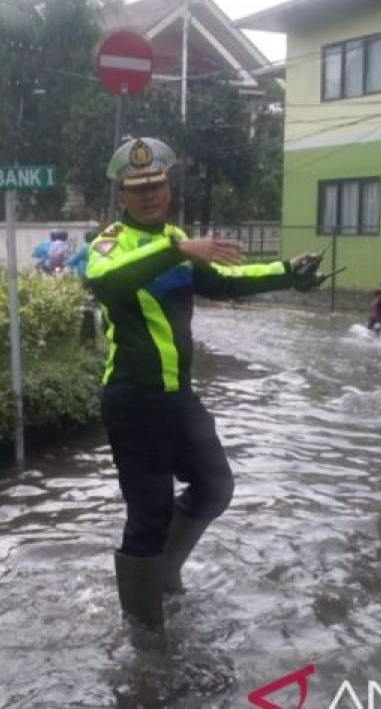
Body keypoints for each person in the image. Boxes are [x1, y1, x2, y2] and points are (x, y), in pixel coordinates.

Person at [85, 136, 326, 631]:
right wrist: (177, 249)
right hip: (133, 399)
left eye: (158, 185)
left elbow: (223, 279)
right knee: (148, 515)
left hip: (178, 397)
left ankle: (165, 575)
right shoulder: (111, 242)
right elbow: (107, 282)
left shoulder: (176, 239)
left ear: (168, 188)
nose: (151, 195)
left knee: (215, 485)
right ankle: (143, 631)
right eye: (139, 189)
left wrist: (287, 272)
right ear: (122, 197)